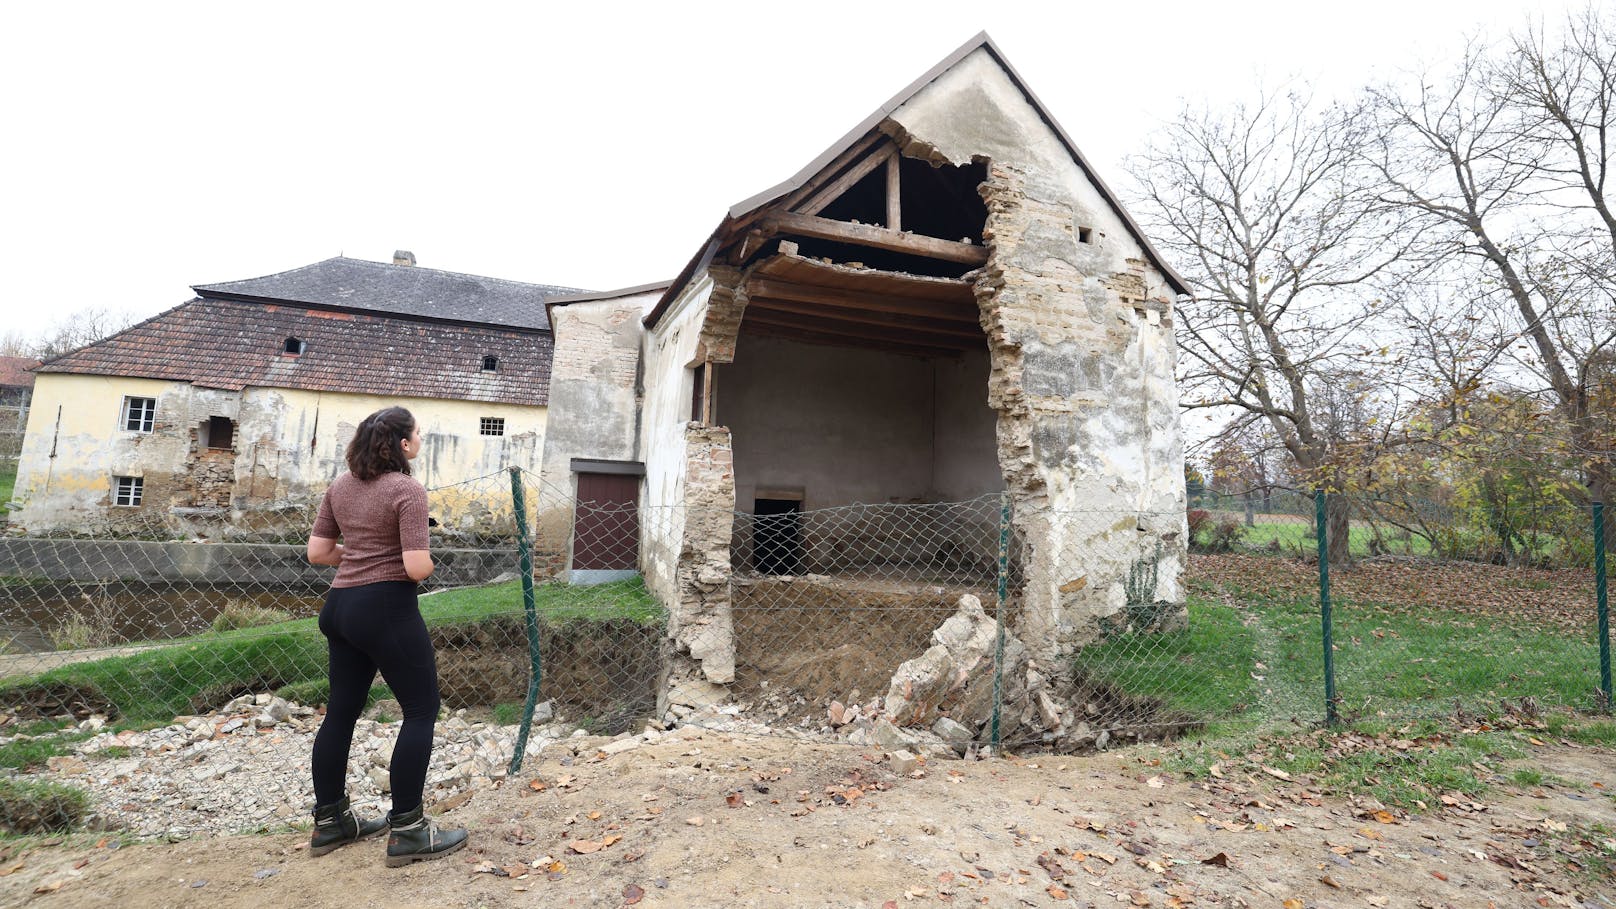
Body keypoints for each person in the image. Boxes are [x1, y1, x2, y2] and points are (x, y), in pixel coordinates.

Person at [305, 406, 468, 866]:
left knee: (340, 714)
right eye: (418, 434)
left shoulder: (340, 485)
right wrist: (428, 559)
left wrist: (358, 555)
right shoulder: (407, 489)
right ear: (401, 444)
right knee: (420, 710)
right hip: (385, 609)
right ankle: (410, 831)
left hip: (339, 608)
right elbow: (417, 566)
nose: (421, 440)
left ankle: (331, 823)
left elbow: (318, 552)